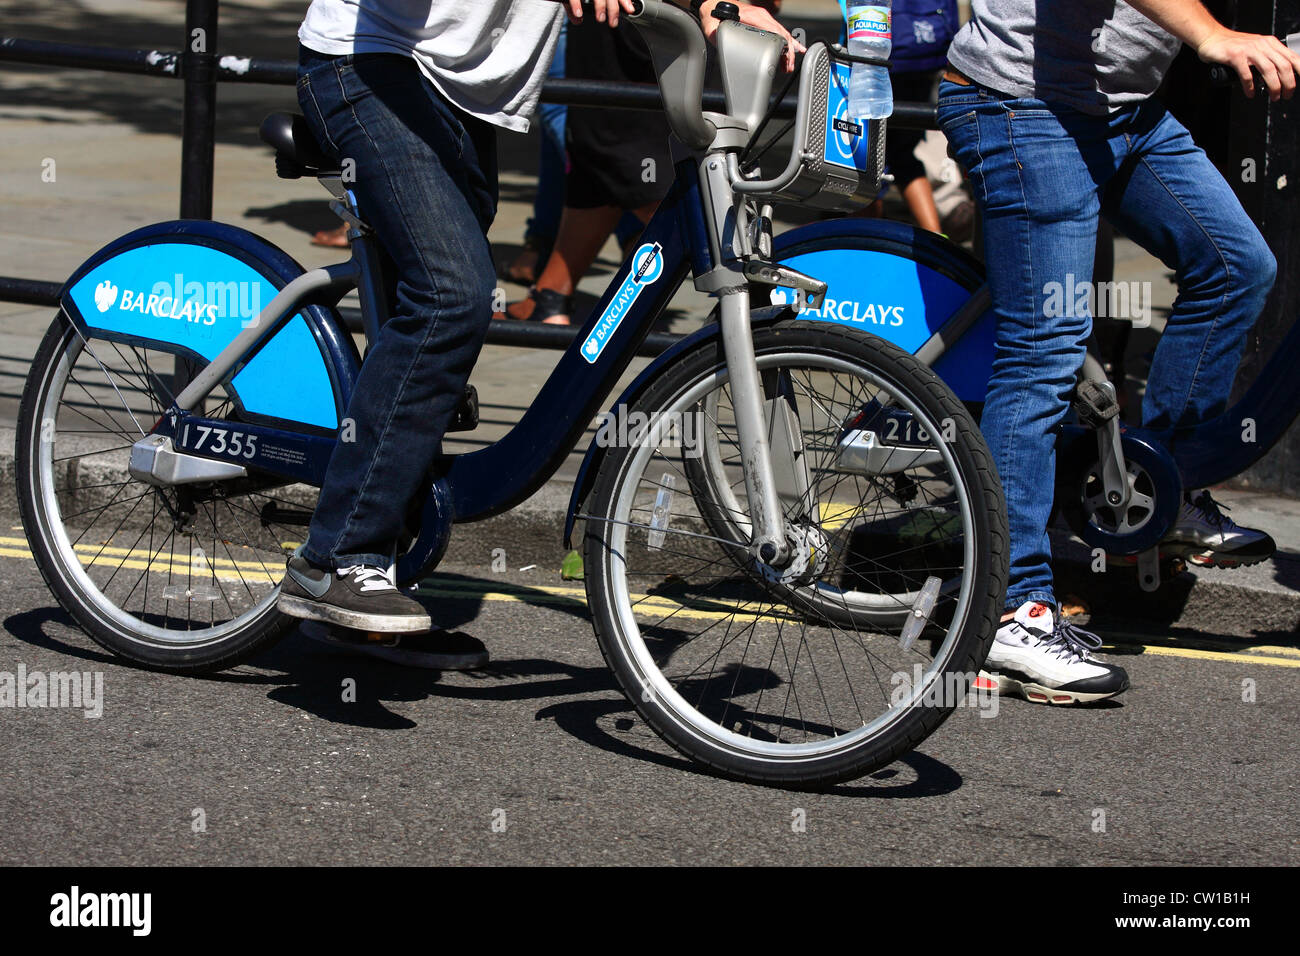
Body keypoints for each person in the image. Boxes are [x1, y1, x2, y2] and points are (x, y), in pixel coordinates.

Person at [277, 1, 801, 659]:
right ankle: (338, 557)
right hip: (371, 67)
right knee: (451, 297)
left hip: (465, 98)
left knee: (433, 313)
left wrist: (722, 6)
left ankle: (374, 573)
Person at [936, 0, 1299, 704]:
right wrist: (1213, 37)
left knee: (1235, 268)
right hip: (1022, 107)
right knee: (1045, 348)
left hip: (1125, 110)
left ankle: (1159, 492)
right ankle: (1009, 611)